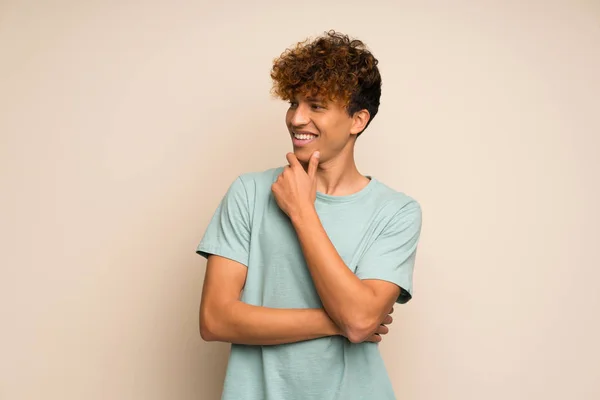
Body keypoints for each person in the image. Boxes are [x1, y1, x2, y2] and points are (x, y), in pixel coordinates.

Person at [196, 30, 422, 400]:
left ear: (357, 120)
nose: (297, 119)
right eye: (293, 102)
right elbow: (215, 319)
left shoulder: (396, 212)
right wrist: (339, 323)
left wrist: (302, 212)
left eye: (316, 106)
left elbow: (363, 319)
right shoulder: (249, 193)